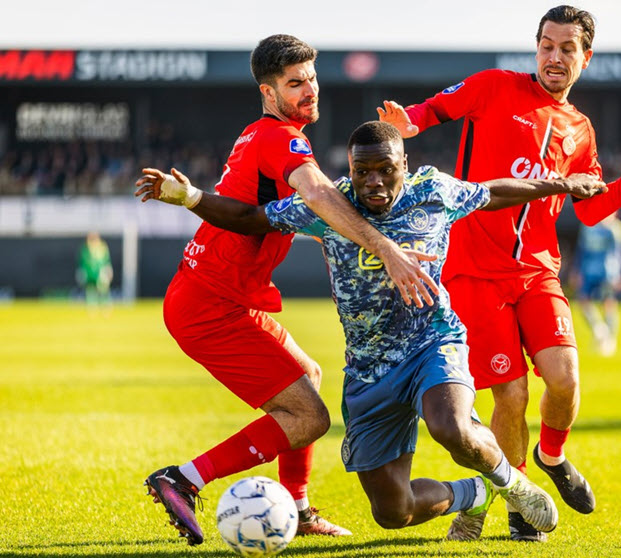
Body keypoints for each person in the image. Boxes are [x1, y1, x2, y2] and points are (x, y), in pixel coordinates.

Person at [135, 121, 608, 539]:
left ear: (406, 162)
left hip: (432, 342)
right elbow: (251, 219)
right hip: (368, 370)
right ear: (351, 169)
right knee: (393, 512)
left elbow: (492, 192)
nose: (374, 182)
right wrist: (191, 198)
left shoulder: (434, 192)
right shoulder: (328, 205)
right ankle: (475, 495)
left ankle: (512, 485)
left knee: (452, 427)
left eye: (385, 169)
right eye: (363, 172)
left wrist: (560, 184)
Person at [378, 4, 621, 542]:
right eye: (547, 45)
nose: (554, 56)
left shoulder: (580, 130)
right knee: (512, 396)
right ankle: (520, 505)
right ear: (536, 48)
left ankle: (552, 455)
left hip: (539, 273)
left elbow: (590, 209)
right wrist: (406, 123)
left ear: (584, 58)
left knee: (566, 380)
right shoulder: (493, 86)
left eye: (567, 48)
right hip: (475, 272)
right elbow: (428, 112)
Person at [135, 35, 443, 546]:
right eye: (295, 83)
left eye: (312, 79)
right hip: (210, 306)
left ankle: (295, 508)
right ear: (268, 91)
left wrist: (192, 197)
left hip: (218, 296)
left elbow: (273, 214)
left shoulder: (265, 134)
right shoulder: (280, 138)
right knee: (308, 416)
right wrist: (387, 248)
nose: (310, 91)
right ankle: (183, 479)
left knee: (308, 374)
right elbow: (319, 195)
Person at [570, 213, 621, 356]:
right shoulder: (587, 226)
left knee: (608, 302)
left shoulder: (616, 228)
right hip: (589, 269)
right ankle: (599, 328)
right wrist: (576, 270)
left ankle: (610, 339)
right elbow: (581, 250)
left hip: (608, 271)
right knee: (583, 300)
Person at [76, 231, 113, 310]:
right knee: (91, 288)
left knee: (103, 288)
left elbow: (106, 260)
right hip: (90, 272)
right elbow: (82, 262)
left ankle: (105, 305)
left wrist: (107, 269)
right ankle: (92, 306)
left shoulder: (102, 247)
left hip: (100, 271)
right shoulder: (85, 248)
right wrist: (82, 271)